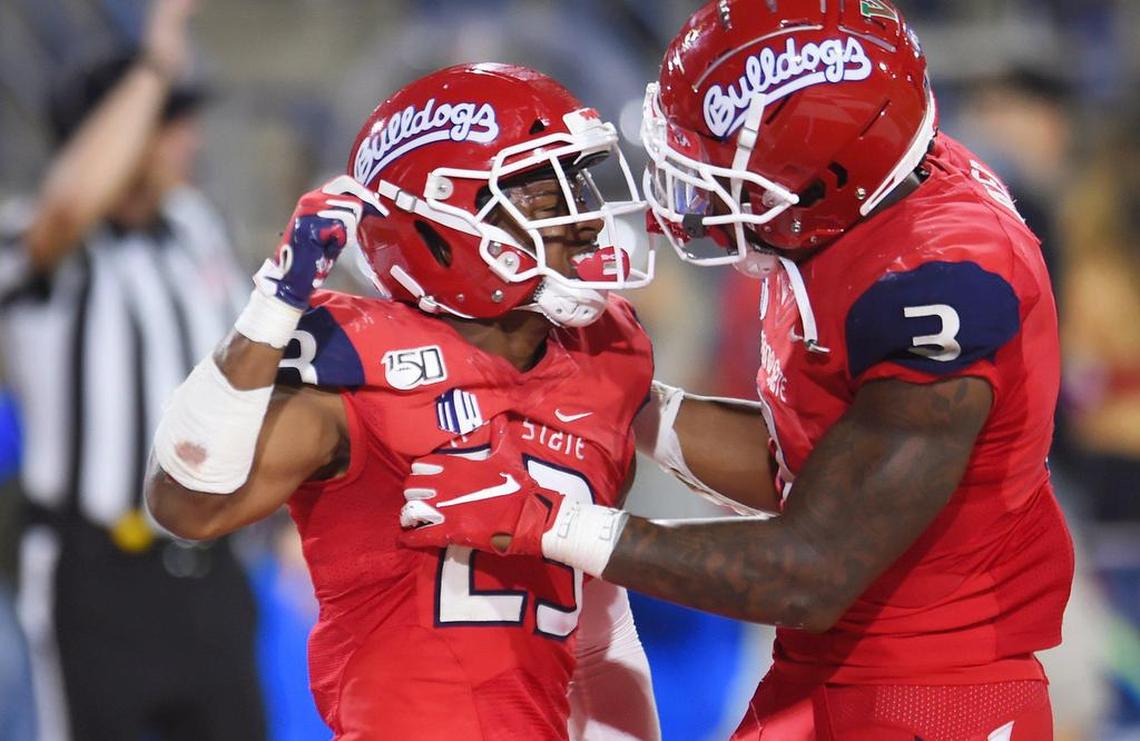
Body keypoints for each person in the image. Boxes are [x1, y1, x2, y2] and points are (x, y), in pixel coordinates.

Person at [398, 2, 1074, 739]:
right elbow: (810, 467)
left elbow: (811, 567)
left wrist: (547, 523)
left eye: (723, 172)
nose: (682, 203)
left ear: (822, 176)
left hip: (931, 697)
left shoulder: (941, 285)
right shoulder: (872, 191)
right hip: (837, 660)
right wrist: (626, 401)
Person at [145, 63, 660, 739]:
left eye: (579, 184)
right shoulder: (359, 366)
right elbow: (184, 501)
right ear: (447, 216)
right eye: (546, 191)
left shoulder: (596, 364)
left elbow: (596, 628)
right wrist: (272, 308)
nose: (587, 219)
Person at [0, 1, 266, 739]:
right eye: (166, 123)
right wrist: (155, 58)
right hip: (96, 576)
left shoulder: (193, 230)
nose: (188, 140)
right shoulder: (42, 242)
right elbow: (72, 202)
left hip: (212, 569)